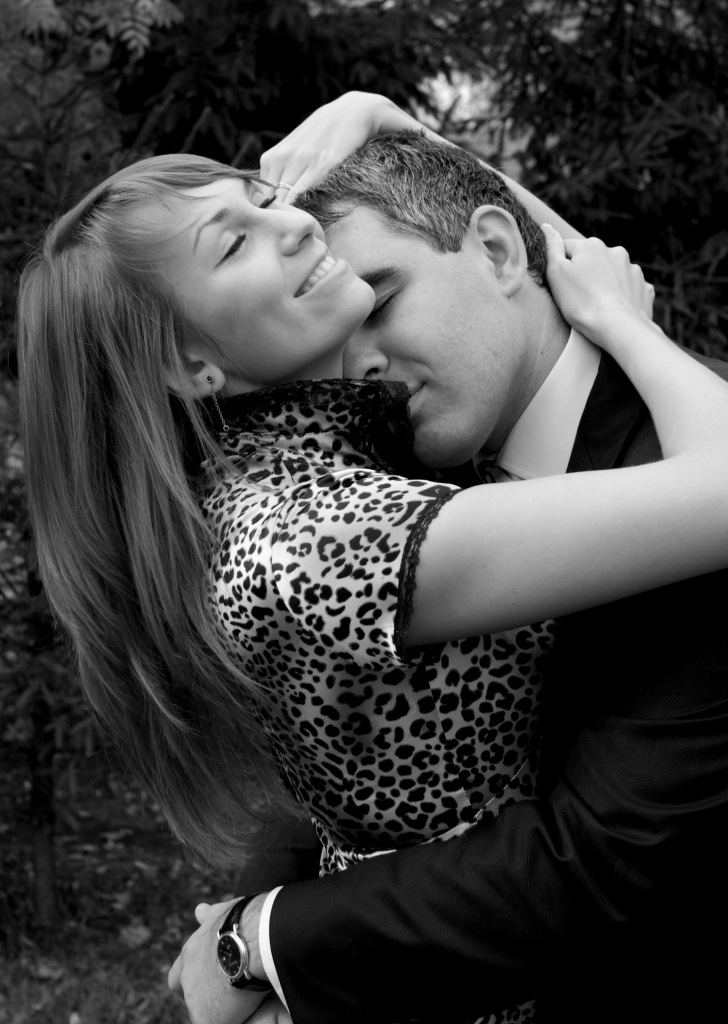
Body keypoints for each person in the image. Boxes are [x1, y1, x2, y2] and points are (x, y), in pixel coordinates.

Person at [18, 98, 728, 1024]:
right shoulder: (342, 520)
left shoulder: (351, 465)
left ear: (499, 253)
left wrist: (258, 938)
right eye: (235, 245)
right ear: (192, 365)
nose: (362, 366)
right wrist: (263, 938)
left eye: (380, 301)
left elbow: (590, 857)